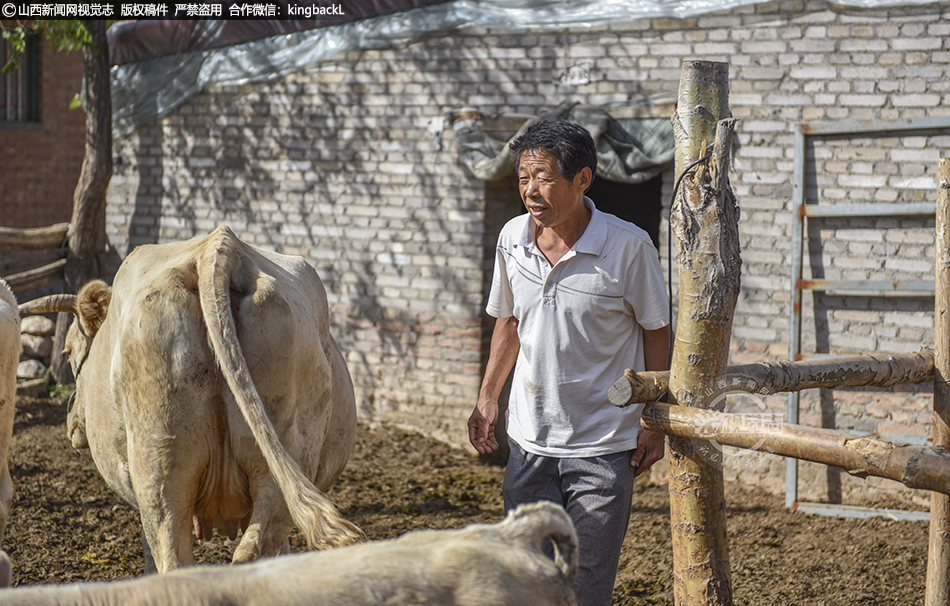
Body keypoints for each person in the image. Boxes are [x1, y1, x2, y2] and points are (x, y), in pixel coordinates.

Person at [467, 119, 671, 606]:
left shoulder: (628, 247)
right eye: (522, 177)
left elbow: (657, 334)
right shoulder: (513, 238)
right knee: (526, 581)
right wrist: (487, 398)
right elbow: (509, 322)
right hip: (529, 445)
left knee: (583, 588)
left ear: (582, 179)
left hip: (602, 448)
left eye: (543, 177)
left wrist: (655, 420)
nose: (530, 190)